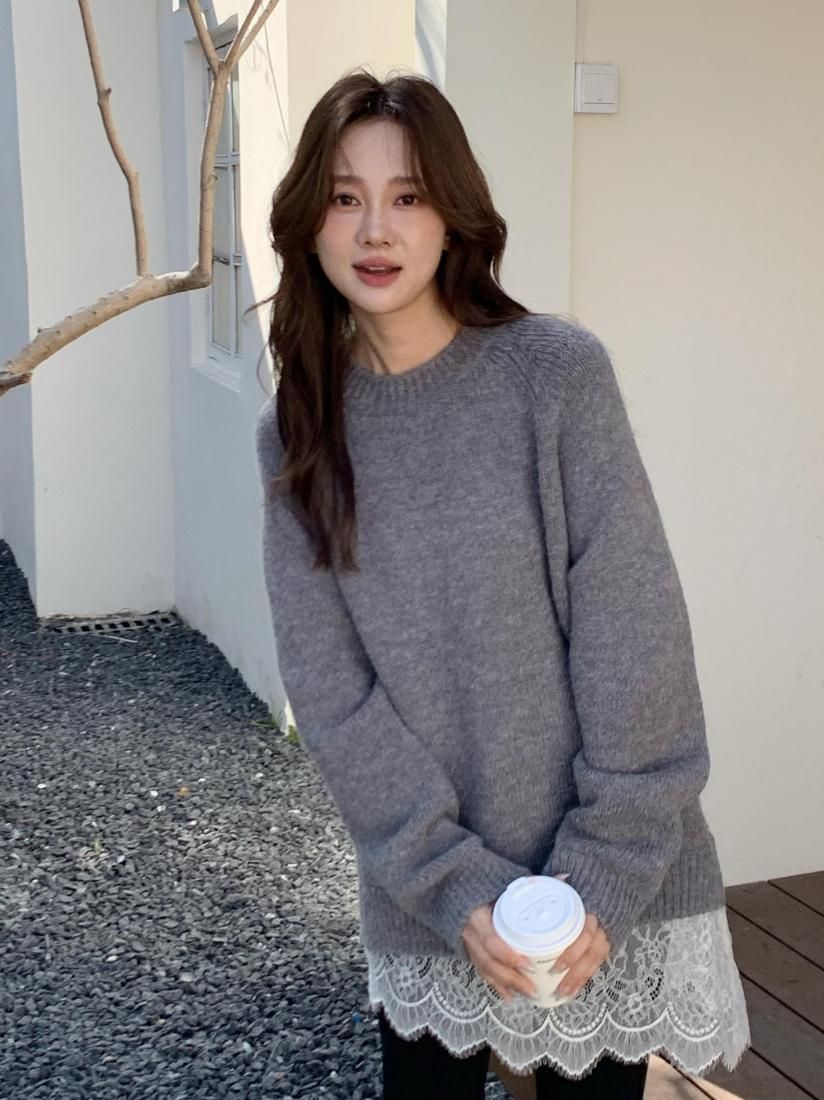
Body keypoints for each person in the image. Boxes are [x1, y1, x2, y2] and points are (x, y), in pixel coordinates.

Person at [253, 68, 751, 1099]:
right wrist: (452, 883)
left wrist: (603, 867)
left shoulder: (554, 377)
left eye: (407, 194)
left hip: (607, 885)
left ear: (453, 215)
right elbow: (331, 691)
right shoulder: (298, 430)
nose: (375, 229)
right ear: (309, 223)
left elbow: (635, 634)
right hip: (429, 892)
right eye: (345, 197)